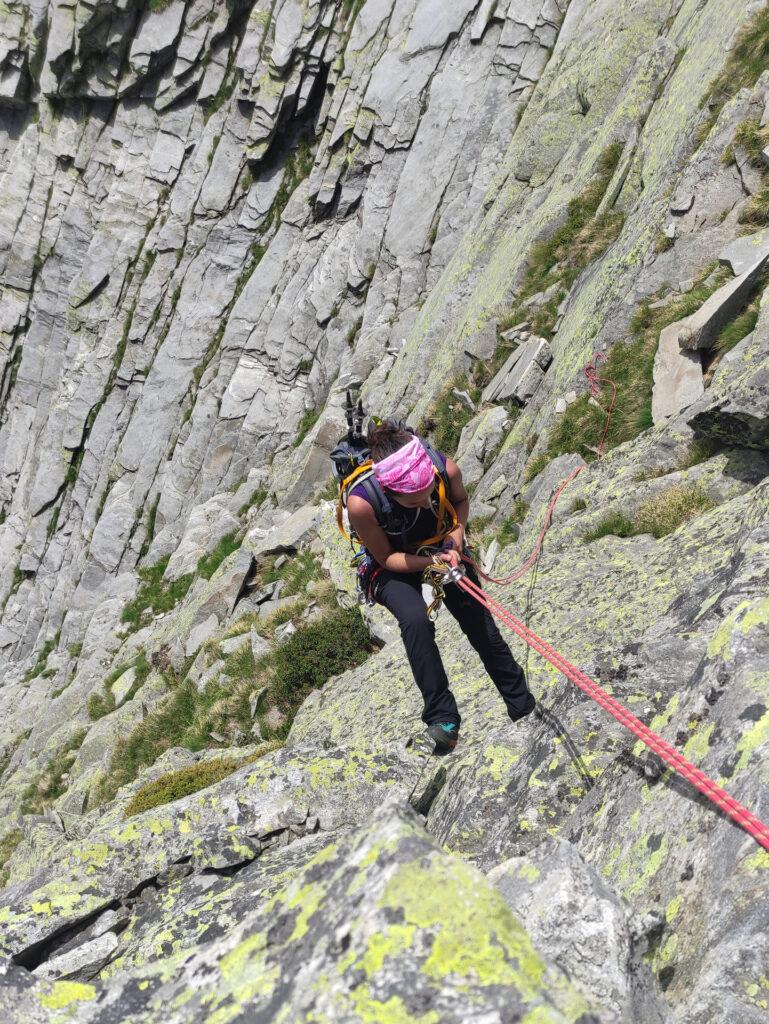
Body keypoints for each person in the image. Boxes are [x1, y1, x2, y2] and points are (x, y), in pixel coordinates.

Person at [346, 421, 535, 753]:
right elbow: (388, 557)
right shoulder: (362, 503)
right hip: (393, 562)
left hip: (442, 547)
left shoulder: (444, 469)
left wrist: (456, 537)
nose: (423, 503)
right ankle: (443, 721)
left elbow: (460, 503)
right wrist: (431, 563)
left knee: (480, 623)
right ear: (389, 490)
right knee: (415, 620)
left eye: (428, 495)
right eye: (412, 501)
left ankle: (522, 704)